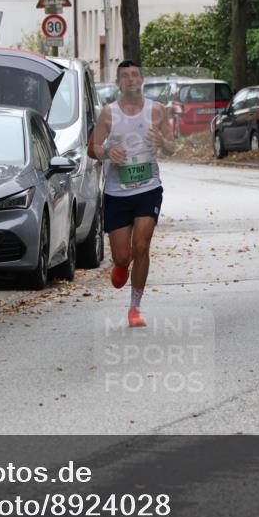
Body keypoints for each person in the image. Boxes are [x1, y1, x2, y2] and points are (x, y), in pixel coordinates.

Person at [88, 60, 176, 327]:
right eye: (125, 76)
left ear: (142, 80)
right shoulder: (109, 113)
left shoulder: (156, 110)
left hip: (148, 188)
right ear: (118, 83)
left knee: (142, 246)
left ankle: (135, 307)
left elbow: (171, 147)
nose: (130, 79)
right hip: (117, 192)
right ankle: (120, 265)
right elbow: (92, 147)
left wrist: (162, 142)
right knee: (122, 255)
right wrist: (107, 152)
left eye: (135, 75)